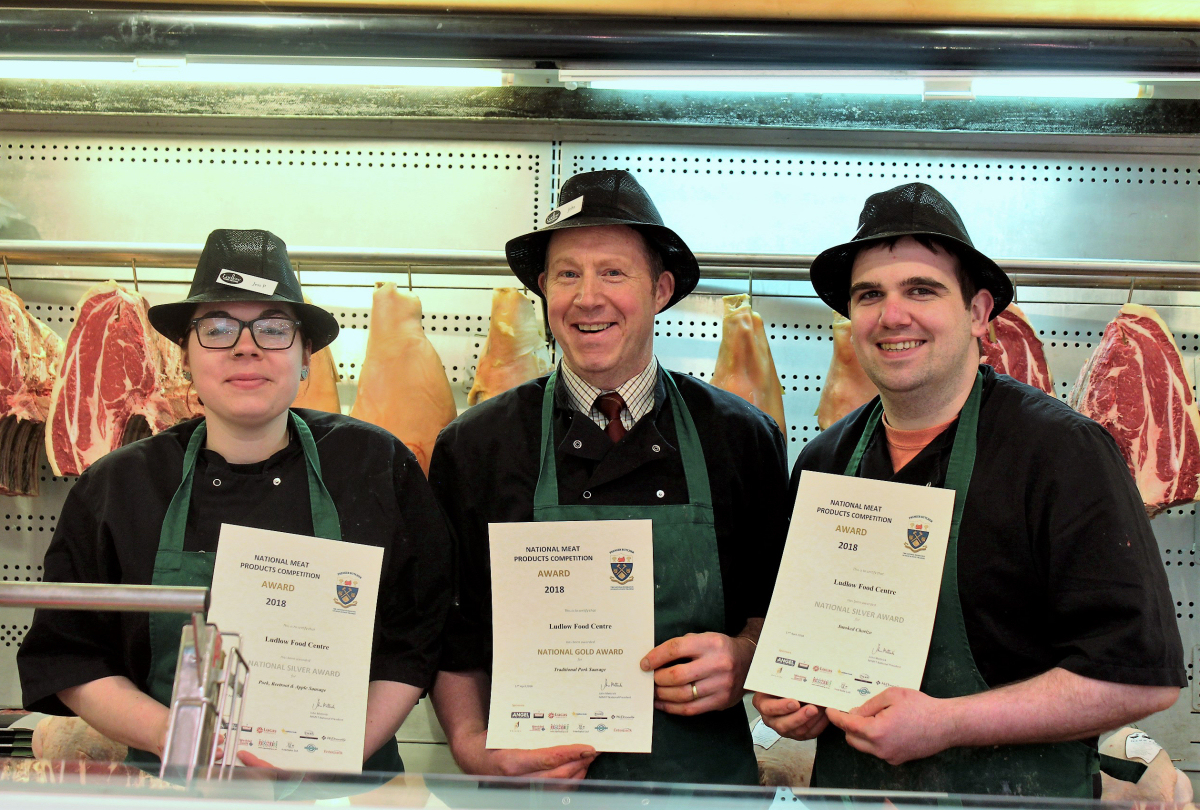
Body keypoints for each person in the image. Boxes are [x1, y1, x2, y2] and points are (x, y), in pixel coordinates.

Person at [752, 183, 1184, 797]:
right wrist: (793, 697)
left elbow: (1143, 678)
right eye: (870, 295)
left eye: (921, 290)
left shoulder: (1061, 452)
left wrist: (946, 724)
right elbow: (807, 647)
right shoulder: (827, 460)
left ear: (979, 313)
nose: (891, 315)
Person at [18, 229, 451, 773]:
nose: (246, 346)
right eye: (217, 329)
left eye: (273, 329)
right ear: (186, 358)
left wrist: (337, 754)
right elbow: (69, 654)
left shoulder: (373, 465)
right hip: (174, 785)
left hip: (342, 787)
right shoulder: (120, 485)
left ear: (305, 359)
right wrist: (175, 737)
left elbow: (418, 636)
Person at [427, 170, 790, 784]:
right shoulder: (476, 445)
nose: (587, 297)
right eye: (568, 274)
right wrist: (470, 744)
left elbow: (773, 612)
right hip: (538, 787)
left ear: (661, 290)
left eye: (614, 273)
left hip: (703, 789)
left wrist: (746, 659)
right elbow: (453, 633)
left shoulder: (741, 437)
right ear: (544, 290)